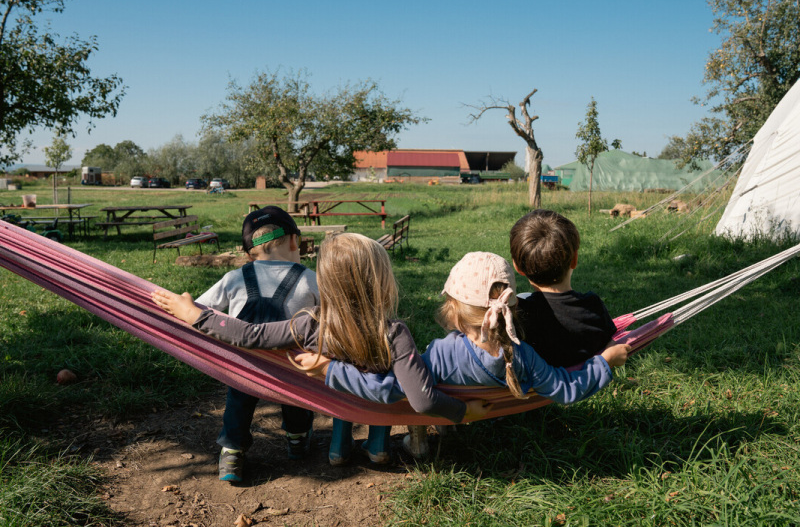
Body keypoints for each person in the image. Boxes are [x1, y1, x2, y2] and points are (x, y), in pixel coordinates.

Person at [151, 233, 490, 465]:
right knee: (380, 414)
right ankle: (377, 449)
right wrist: (463, 412)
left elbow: (249, 334)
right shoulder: (395, 333)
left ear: (324, 281)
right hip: (378, 407)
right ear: (383, 279)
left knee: (346, 413)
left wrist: (198, 316)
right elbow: (423, 399)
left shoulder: (309, 324)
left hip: (338, 403)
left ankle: (338, 451)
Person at [303, 252, 629, 412]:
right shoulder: (525, 356)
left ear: (455, 311)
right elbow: (565, 388)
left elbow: (389, 389)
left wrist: (329, 369)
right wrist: (606, 362)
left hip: (449, 406)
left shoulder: (444, 354)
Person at [195, 206, 319, 483]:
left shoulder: (234, 278)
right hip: (293, 364)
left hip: (245, 365)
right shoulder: (310, 278)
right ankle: (297, 440)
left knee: (237, 404)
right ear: (294, 241)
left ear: (249, 252)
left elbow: (197, 310)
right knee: (298, 400)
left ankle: (232, 453)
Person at [510, 209, 617, 367]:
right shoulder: (593, 307)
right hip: (583, 385)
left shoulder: (518, 315)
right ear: (575, 259)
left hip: (535, 388)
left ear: (518, 267)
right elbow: (609, 341)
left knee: (524, 296)